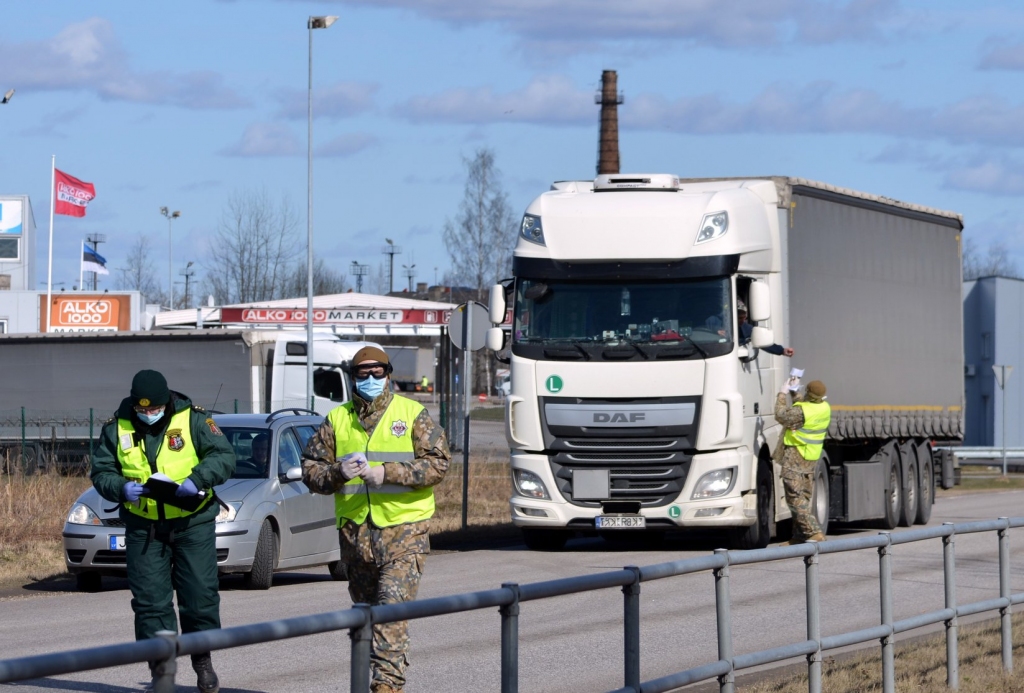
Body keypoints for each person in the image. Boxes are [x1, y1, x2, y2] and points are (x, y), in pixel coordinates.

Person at [301, 346, 451, 693]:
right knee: (367, 617)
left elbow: (439, 464)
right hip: (356, 538)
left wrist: (388, 473)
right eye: (362, 373)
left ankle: (386, 687)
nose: (370, 379)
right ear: (352, 377)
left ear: (388, 374)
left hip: (404, 533)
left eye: (377, 372)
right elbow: (311, 471)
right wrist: (337, 472)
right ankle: (377, 679)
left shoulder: (412, 414)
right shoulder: (337, 419)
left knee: (389, 611)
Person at [90, 369, 236, 693]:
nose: (148, 414)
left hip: (192, 522)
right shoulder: (116, 428)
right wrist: (120, 487)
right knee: (150, 605)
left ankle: (203, 661)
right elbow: (101, 471)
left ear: (166, 401)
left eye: (154, 408)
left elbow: (224, 456)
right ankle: (161, 671)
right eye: (142, 410)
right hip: (144, 529)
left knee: (199, 599)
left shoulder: (194, 420)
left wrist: (197, 480)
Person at [774, 377, 831, 544]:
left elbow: (780, 415)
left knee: (794, 496)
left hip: (796, 455)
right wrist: (794, 391)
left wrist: (782, 393)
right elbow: (804, 405)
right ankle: (800, 535)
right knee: (803, 495)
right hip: (811, 455)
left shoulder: (801, 411)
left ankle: (814, 532)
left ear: (808, 393)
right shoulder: (824, 407)